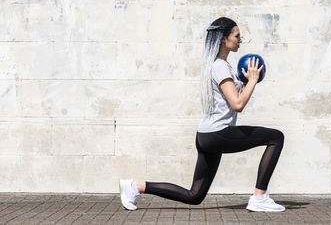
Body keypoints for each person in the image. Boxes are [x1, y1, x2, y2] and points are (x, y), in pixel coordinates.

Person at [119, 17, 285, 212]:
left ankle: (134, 186)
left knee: (194, 195)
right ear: (224, 38)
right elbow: (238, 104)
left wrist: (246, 80)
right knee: (276, 137)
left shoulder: (221, 65)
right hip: (217, 134)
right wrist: (253, 81)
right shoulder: (220, 66)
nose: (240, 40)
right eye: (237, 36)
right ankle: (259, 197)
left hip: (207, 135)